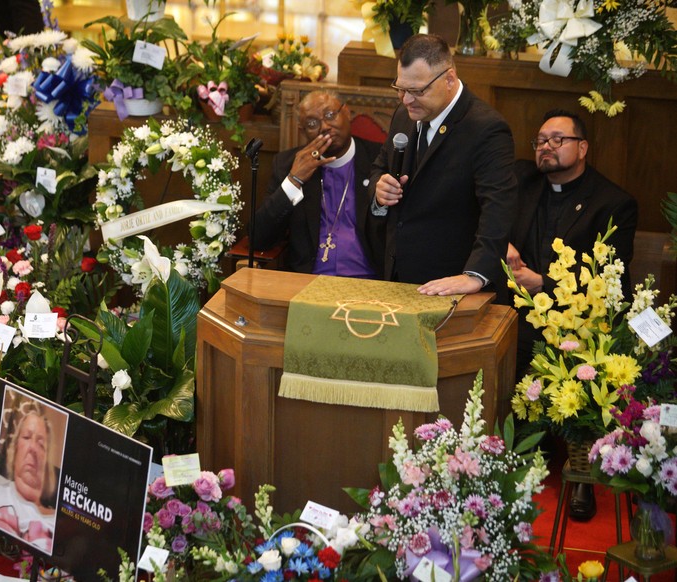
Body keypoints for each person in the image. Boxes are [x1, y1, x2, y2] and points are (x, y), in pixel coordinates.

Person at [507, 109, 638, 522]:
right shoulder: (522, 182)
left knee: (587, 361)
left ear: (582, 148)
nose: (545, 146)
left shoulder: (613, 202)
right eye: (540, 140)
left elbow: (609, 275)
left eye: (557, 139)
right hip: (519, 313)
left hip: (580, 320)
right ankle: (524, 453)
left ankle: (582, 472)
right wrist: (502, 248)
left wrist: (542, 282)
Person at [367, 34, 517, 297]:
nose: (406, 100)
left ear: (449, 79)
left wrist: (475, 275)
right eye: (400, 89)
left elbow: (498, 208)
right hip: (396, 275)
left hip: (451, 283)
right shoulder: (404, 115)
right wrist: (380, 192)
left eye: (417, 91)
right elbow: (380, 167)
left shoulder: (486, 128)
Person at [252, 90, 385, 277]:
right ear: (303, 131)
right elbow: (259, 239)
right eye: (312, 123)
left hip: (368, 282)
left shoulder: (380, 159)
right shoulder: (287, 165)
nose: (324, 127)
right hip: (307, 280)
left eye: (330, 115)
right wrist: (294, 181)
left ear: (347, 113)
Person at [0, 398, 57, 553]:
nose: (32, 448)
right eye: (26, 437)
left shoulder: (60, 521)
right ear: (15, 448)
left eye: (41, 444)